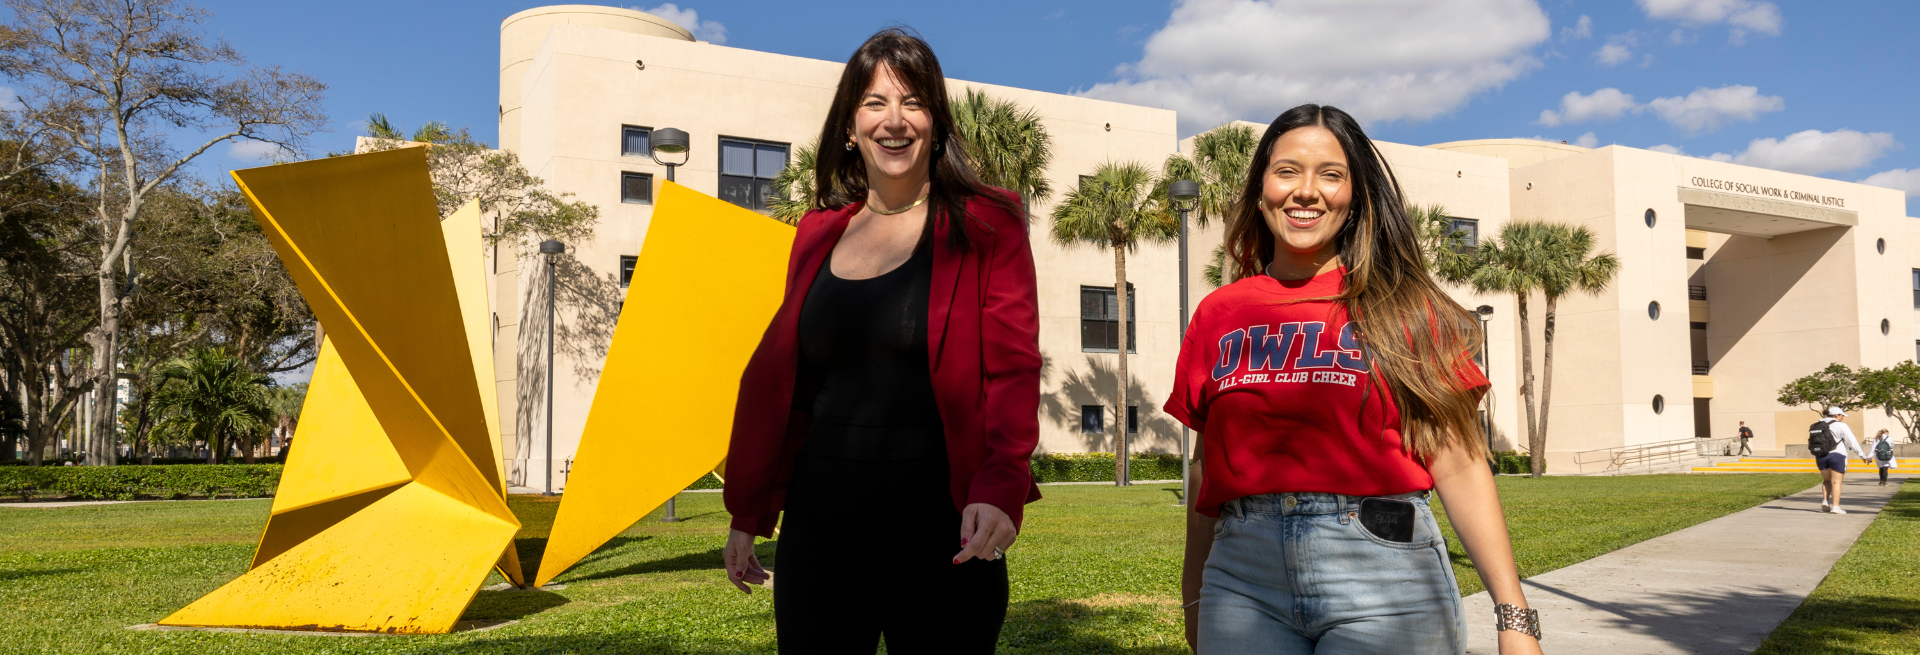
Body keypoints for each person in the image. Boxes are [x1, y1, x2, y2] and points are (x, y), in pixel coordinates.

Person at [1167, 104, 1541, 655]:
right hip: (1242, 578)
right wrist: (1195, 593)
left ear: (1356, 195)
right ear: (1261, 188)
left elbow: (1458, 461)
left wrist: (1514, 619)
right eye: (1287, 171)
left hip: (1386, 574)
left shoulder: (1404, 307)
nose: (1306, 191)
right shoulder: (1219, 313)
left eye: (1331, 174)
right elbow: (1208, 467)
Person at [718, 28, 1040, 654]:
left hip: (944, 528)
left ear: (937, 121)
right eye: (874, 103)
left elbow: (1013, 370)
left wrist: (1001, 490)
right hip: (820, 529)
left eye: (913, 102)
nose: (894, 121)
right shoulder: (815, 233)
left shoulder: (987, 223)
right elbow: (795, 388)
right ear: (849, 125)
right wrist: (750, 515)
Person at [1810, 407, 1870, 514]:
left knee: (1827, 480)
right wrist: (1862, 455)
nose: (1843, 418)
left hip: (1821, 456)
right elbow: (1852, 442)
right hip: (1837, 455)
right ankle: (1836, 507)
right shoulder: (1841, 425)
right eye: (1842, 415)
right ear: (1836, 415)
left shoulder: (1817, 425)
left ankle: (1825, 501)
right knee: (1836, 482)